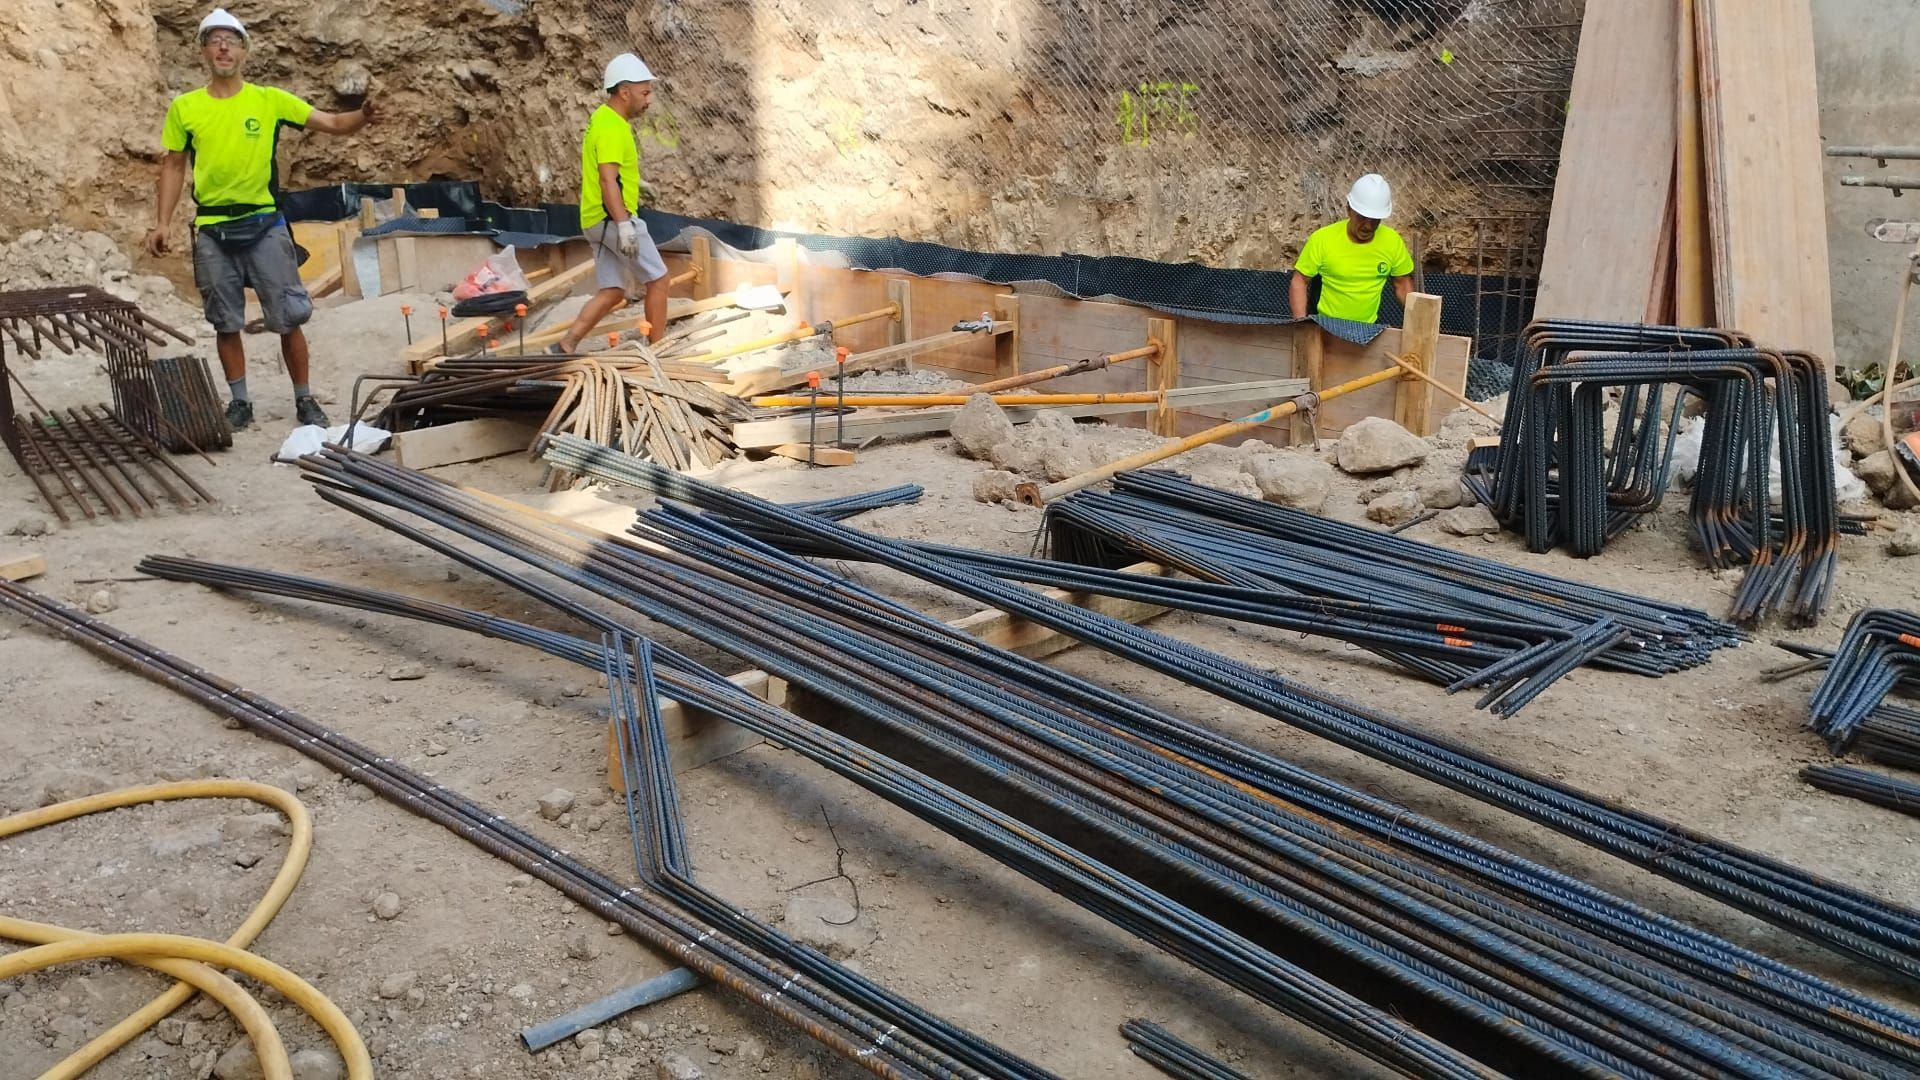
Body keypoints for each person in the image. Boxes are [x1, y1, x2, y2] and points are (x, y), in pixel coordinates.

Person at [143, 8, 377, 432]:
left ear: (244, 50)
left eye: (230, 39)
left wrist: (364, 115)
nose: (223, 47)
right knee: (225, 320)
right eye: (214, 39)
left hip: (264, 224)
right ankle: (239, 402)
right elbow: (174, 164)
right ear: (203, 51)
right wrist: (162, 222)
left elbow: (332, 122)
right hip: (213, 227)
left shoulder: (269, 101)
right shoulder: (185, 108)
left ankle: (305, 400)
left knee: (288, 316)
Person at [553, 53, 670, 354]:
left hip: (594, 219)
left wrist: (636, 185)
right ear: (624, 91)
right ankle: (658, 351)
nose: (649, 99)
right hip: (613, 220)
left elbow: (607, 172)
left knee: (613, 290)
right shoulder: (613, 128)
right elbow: (607, 181)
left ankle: (566, 344)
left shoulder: (601, 118)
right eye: (644, 92)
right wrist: (624, 225)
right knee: (658, 279)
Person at [1289, 173, 1415, 326]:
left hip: (1367, 331)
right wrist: (1301, 324)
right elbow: (1299, 281)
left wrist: (1417, 321)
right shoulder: (1322, 239)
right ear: (1349, 209)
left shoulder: (1392, 242)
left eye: (1375, 219)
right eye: (1362, 217)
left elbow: (1402, 284)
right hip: (1324, 327)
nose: (1368, 226)